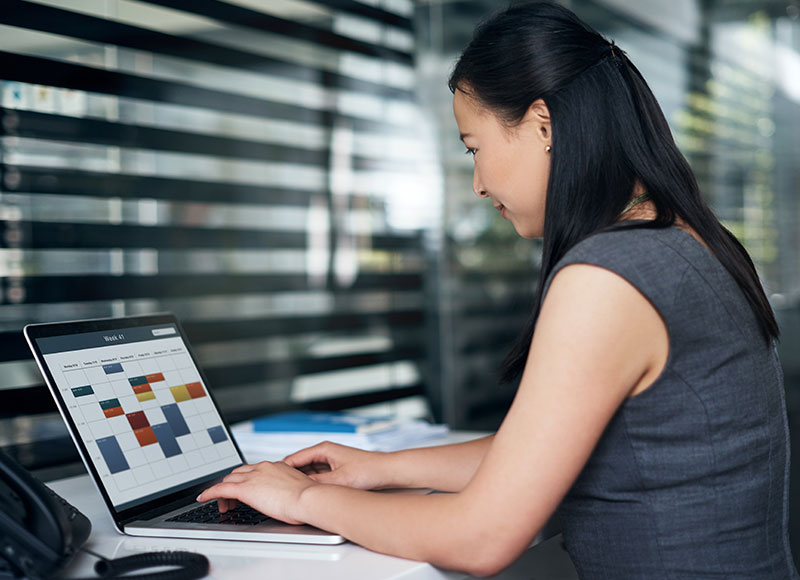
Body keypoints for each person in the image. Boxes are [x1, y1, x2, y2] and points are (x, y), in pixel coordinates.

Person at [197, 3, 799, 578]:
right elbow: (549, 447)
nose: (479, 183)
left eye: (474, 148)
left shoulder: (610, 276)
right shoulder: (690, 240)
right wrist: (380, 470)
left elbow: (481, 537)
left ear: (544, 124)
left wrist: (302, 500)